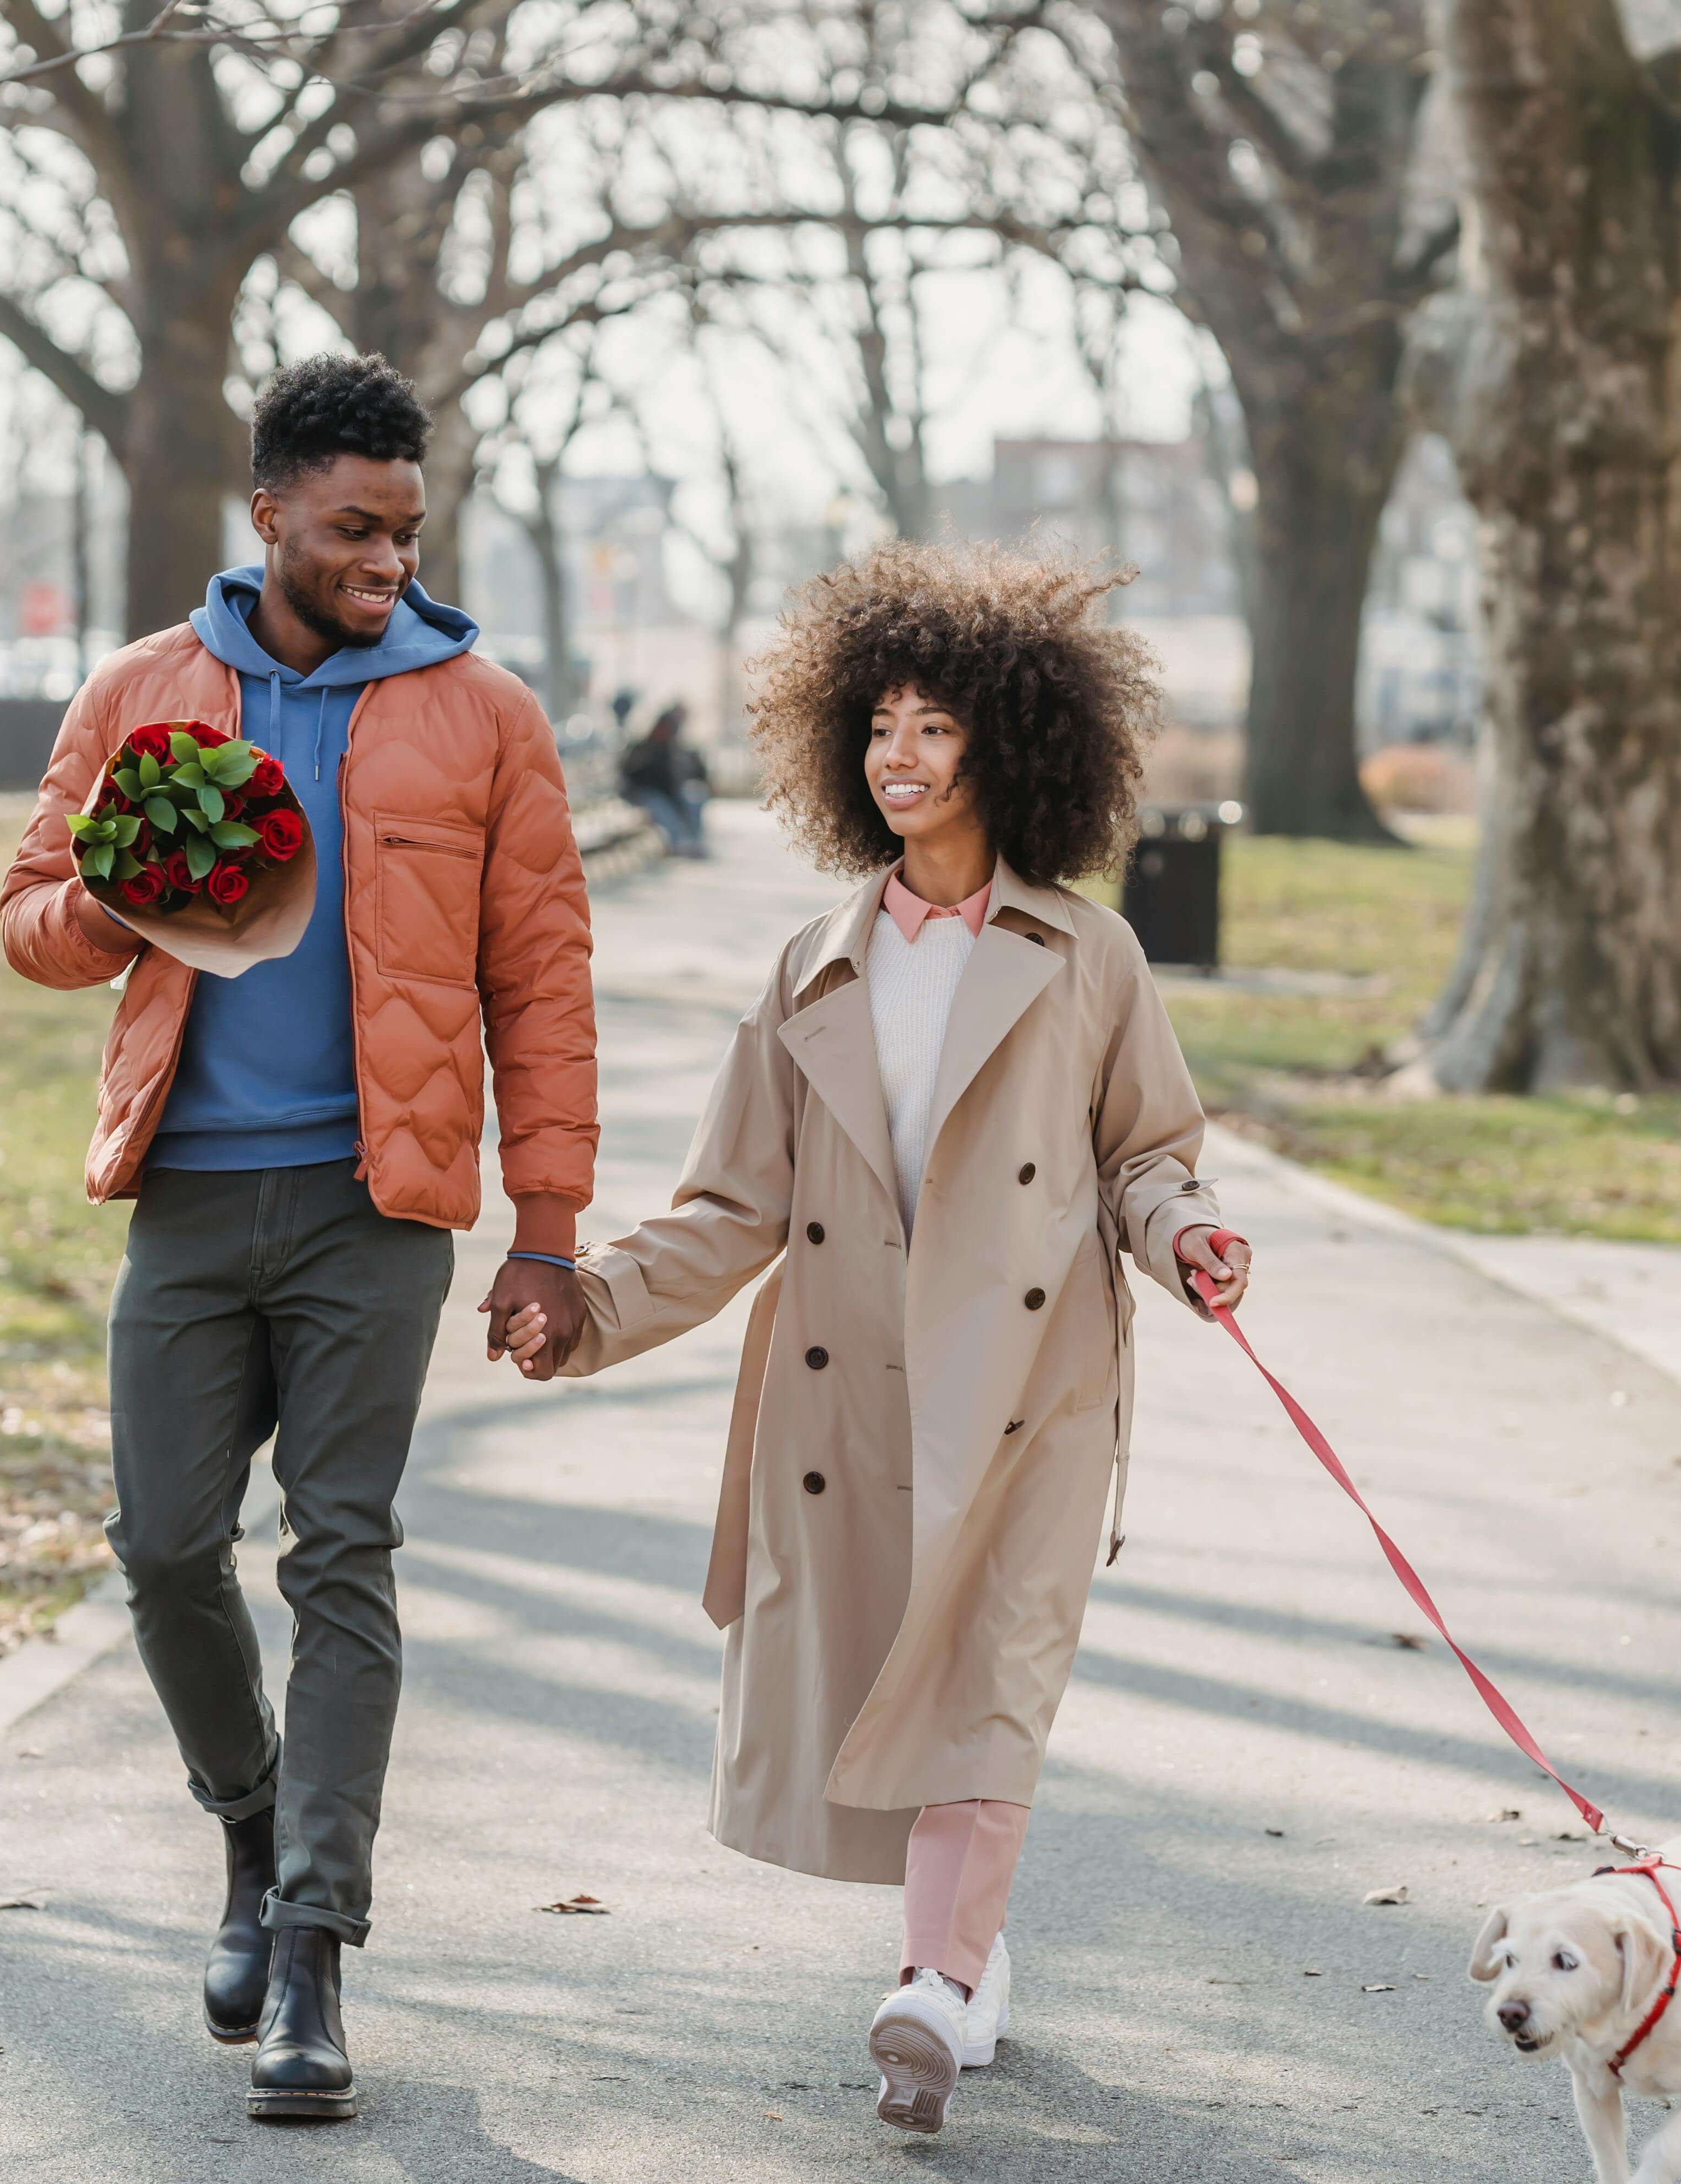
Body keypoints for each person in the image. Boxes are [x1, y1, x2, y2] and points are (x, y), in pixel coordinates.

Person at [498, 539, 1252, 2136]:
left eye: (933, 727)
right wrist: (586, 1307)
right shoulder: (808, 967)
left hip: (1033, 1387)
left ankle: (925, 1978)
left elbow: (1143, 1152)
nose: (899, 758)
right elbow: (729, 1204)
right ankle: (965, 1956)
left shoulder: (1084, 956)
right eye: (879, 728)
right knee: (899, 1695)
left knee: (993, 1674)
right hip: (853, 1395)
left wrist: (1184, 1232)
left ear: (1008, 743)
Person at [0, 352, 598, 2123]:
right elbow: (30, 922)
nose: (388, 564)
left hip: (378, 1208)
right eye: (353, 528)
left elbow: (542, 979)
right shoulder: (142, 690)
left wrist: (547, 1228)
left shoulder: (484, 712)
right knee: (166, 1546)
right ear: (267, 512)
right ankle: (251, 1835)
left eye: (409, 533)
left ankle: (316, 1954)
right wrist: (126, 884)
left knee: (341, 1553)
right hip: (187, 1197)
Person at [617, 699, 712, 858]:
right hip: (642, 795)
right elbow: (631, 776)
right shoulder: (642, 749)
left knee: (692, 799)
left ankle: (694, 842)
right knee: (663, 809)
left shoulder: (671, 751)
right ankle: (679, 844)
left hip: (663, 795)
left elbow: (674, 780)